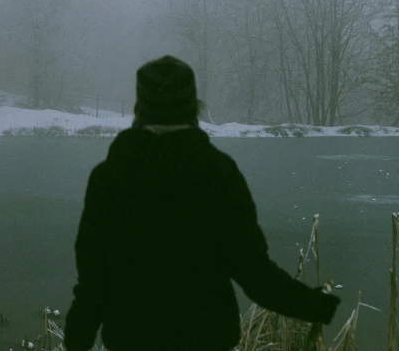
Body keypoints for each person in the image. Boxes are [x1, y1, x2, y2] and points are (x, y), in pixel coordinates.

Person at [64, 56, 340, 351]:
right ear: (193, 106)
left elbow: (93, 283)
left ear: (140, 108)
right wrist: (315, 306)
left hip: (131, 339)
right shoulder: (219, 174)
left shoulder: (109, 179)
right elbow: (254, 272)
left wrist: (76, 342)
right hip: (207, 338)